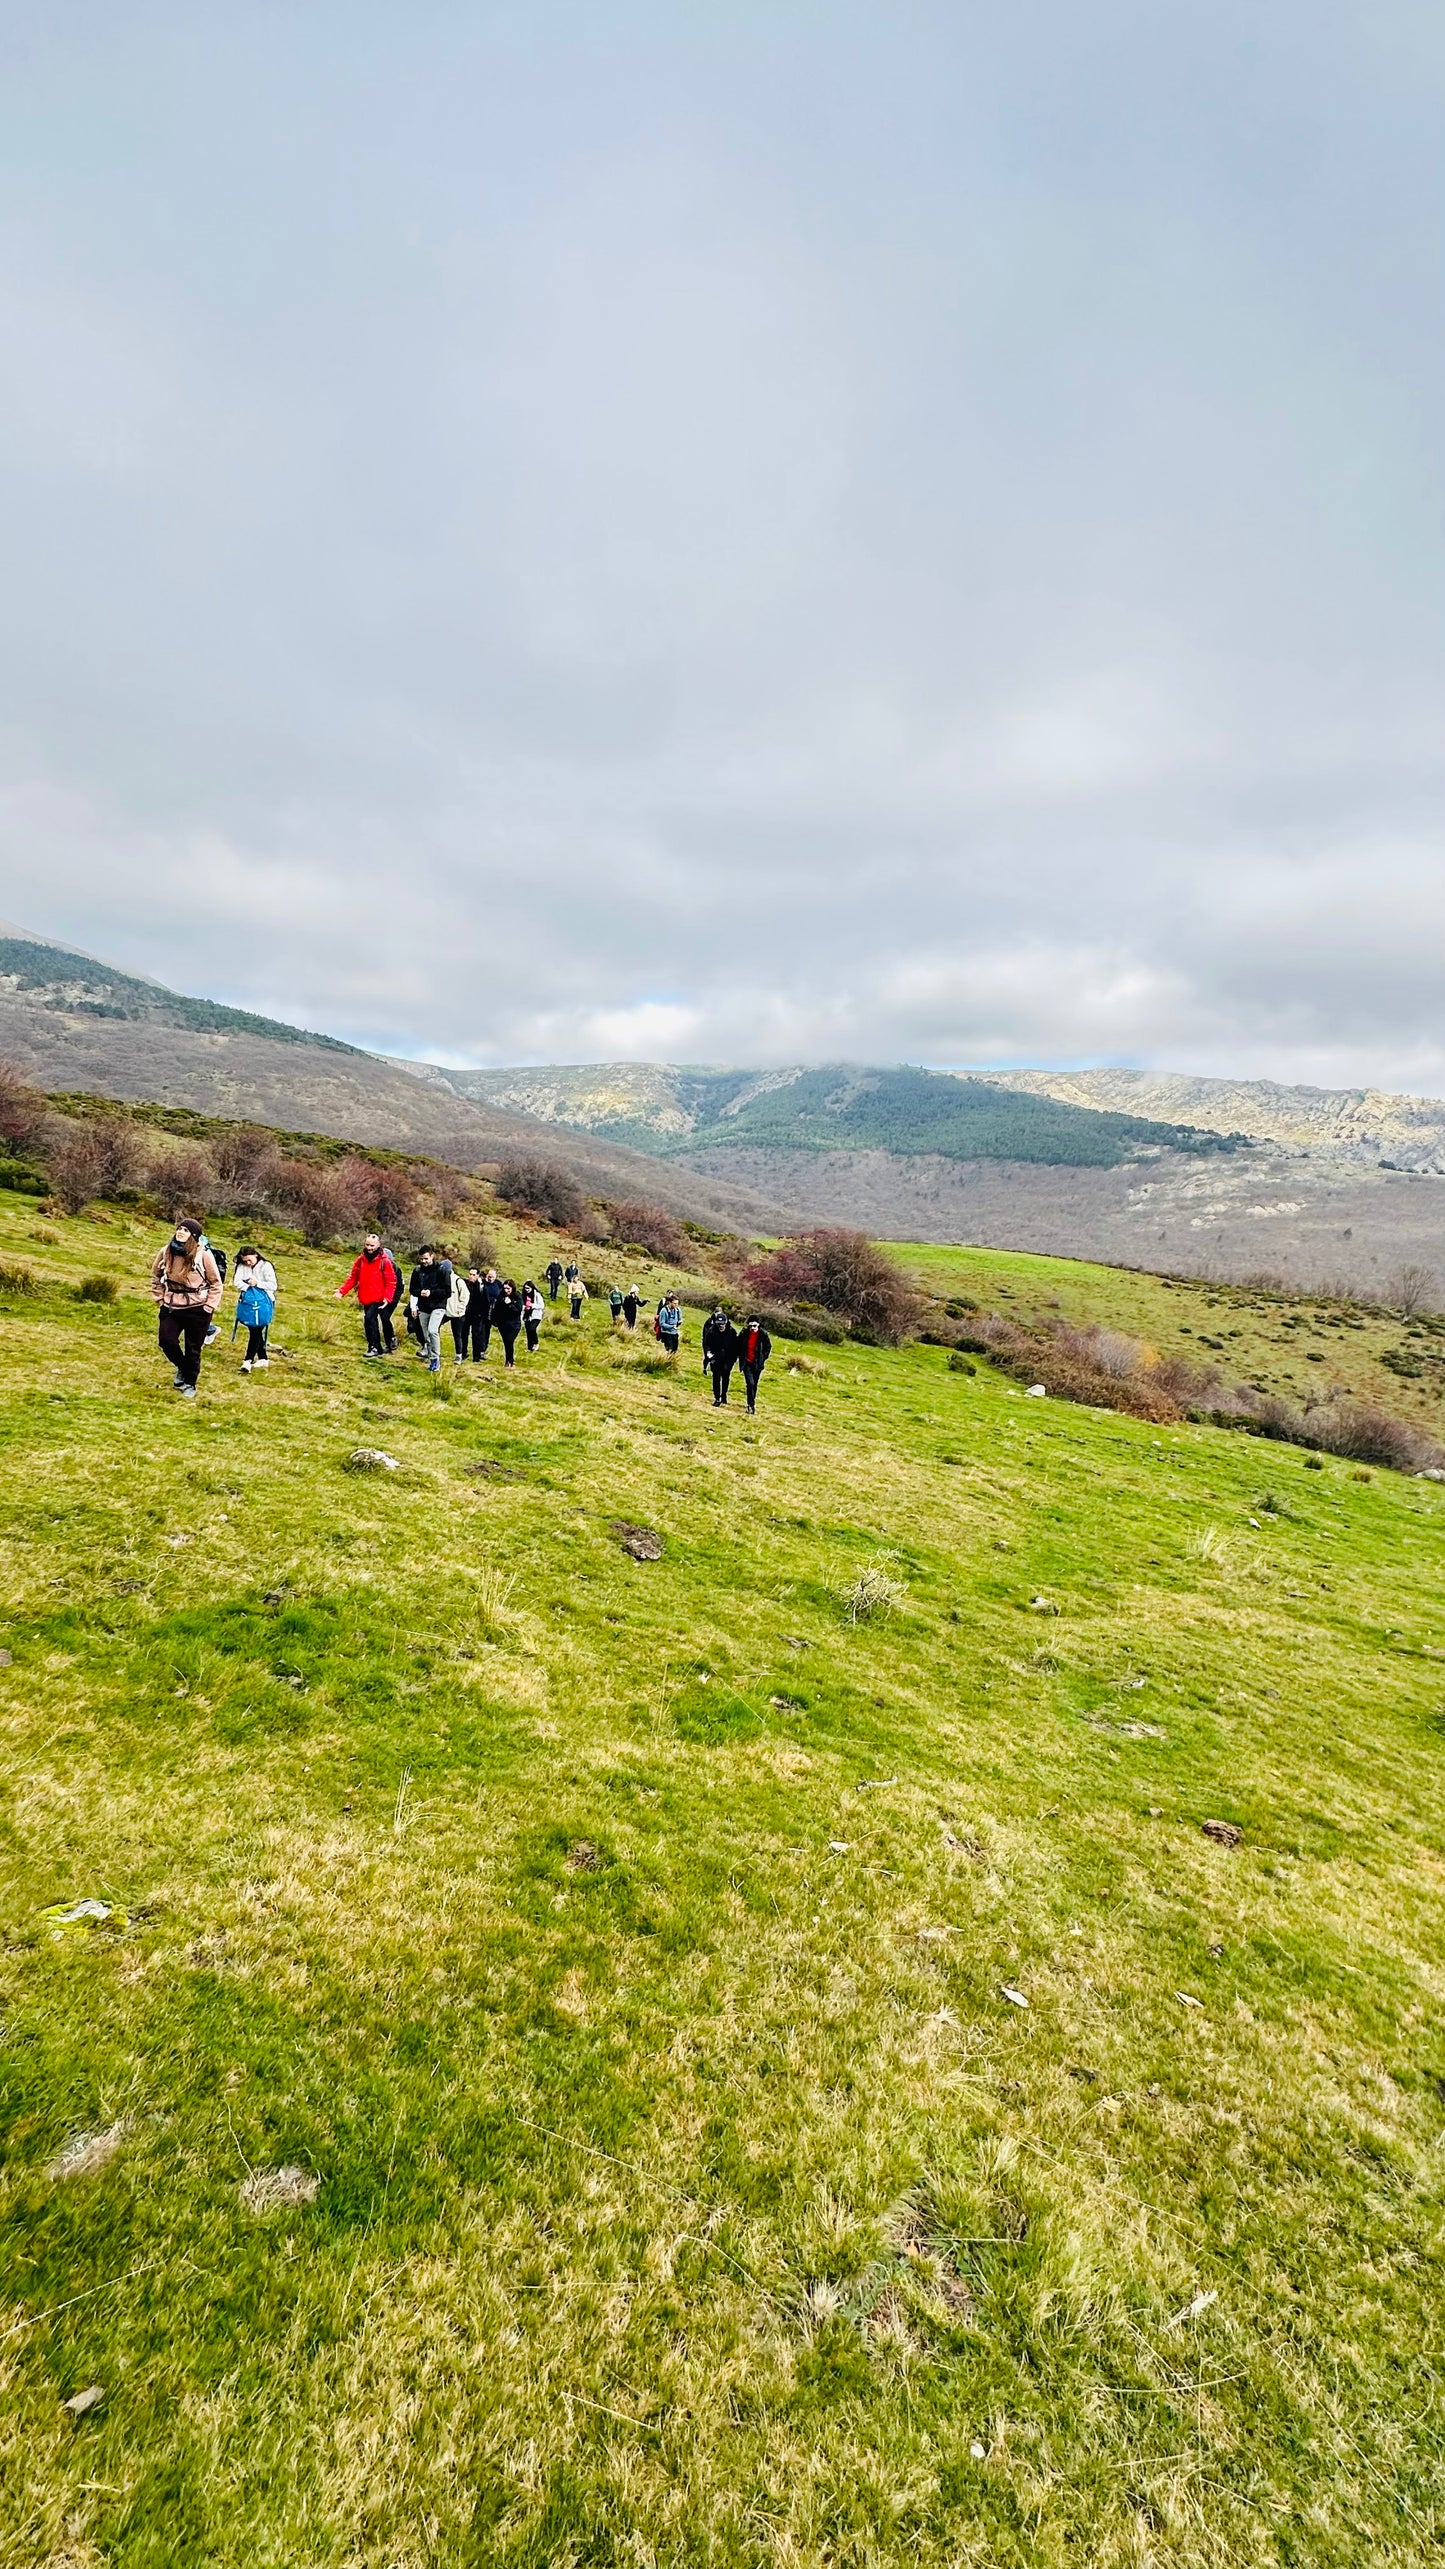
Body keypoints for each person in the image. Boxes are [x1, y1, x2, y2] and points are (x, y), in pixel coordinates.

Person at [150, 1219, 223, 1398]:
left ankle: (190, 1382)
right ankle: (182, 1367)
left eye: (186, 1230)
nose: (180, 1232)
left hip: (198, 1308)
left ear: (194, 1236)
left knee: (193, 1348)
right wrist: (160, 1299)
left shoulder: (202, 1255)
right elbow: (155, 1276)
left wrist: (209, 1306)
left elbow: (216, 1283)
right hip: (171, 1305)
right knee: (166, 1341)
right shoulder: (166, 1252)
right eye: (179, 1229)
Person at [337, 1233, 400, 1358]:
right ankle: (377, 1348)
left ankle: (374, 1347)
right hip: (366, 1297)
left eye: (372, 1245)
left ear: (378, 1245)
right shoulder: (361, 1260)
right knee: (370, 1322)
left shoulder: (384, 1261)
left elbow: (391, 1281)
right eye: (367, 1245)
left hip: (378, 1298)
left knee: (370, 1319)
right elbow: (353, 1277)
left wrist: (387, 1298)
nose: (369, 1248)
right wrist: (342, 1291)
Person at [233, 1246, 278, 1372]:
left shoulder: (266, 1266)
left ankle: (248, 1360)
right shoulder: (242, 1266)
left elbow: (273, 1285)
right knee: (254, 1328)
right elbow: (236, 1281)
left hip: (265, 1302)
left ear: (255, 1255)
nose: (248, 1263)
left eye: (249, 1260)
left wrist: (257, 1283)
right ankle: (263, 1358)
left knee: (256, 1330)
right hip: (248, 1302)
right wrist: (248, 1288)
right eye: (245, 1261)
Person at [410, 1245, 454, 1373]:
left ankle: (435, 1358)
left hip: (438, 1306)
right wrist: (420, 1292)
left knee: (432, 1330)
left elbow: (447, 1291)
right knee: (426, 1335)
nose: (423, 1261)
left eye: (426, 1259)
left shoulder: (441, 1270)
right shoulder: (417, 1271)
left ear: (432, 1256)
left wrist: (431, 1292)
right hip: (424, 1307)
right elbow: (412, 1289)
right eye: (421, 1259)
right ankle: (430, 1357)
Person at [702, 1305, 739, 1406]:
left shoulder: (732, 1332)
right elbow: (706, 1343)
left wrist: (732, 1361)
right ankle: (717, 1397)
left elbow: (736, 1348)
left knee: (726, 1378)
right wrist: (708, 1353)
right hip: (715, 1359)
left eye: (722, 1324)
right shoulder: (712, 1331)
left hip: (728, 1360)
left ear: (726, 1322)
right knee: (716, 1378)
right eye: (719, 1324)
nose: (721, 1326)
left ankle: (724, 1396)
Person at [738, 1313, 772, 1415]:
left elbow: (768, 1347)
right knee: (750, 1384)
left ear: (758, 1325)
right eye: (750, 1326)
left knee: (754, 1385)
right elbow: (738, 1344)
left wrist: (762, 1358)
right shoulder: (744, 1333)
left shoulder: (763, 1335)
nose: (752, 1328)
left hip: (757, 1364)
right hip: (746, 1363)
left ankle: (751, 1403)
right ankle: (750, 1405)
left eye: (755, 1326)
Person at [494, 1278, 523, 1367]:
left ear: (512, 1288)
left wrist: (510, 1304)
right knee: (506, 1342)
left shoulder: (518, 1297)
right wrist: (495, 1321)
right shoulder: (500, 1296)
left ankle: (510, 1361)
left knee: (509, 1340)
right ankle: (508, 1361)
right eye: (505, 1288)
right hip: (503, 1324)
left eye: (508, 1289)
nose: (506, 1290)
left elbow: (518, 1310)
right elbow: (497, 1309)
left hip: (514, 1324)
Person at [445, 1260, 471, 1358]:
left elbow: (465, 1296)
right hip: (445, 1311)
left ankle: (459, 1355)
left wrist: (460, 1309)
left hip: (457, 1313)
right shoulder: (442, 1278)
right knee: (434, 1329)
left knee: (457, 1335)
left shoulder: (457, 1281)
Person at [655, 1291, 682, 1355]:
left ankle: (671, 1362)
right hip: (666, 1332)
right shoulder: (664, 1311)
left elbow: (679, 1319)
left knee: (674, 1349)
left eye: (677, 1303)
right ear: (670, 1302)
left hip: (674, 1332)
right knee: (669, 1349)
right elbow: (662, 1324)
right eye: (675, 1303)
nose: (676, 1305)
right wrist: (671, 1326)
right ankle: (666, 1362)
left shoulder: (678, 1310)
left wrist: (679, 1322)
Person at [522, 1279, 545, 1352]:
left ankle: (536, 1342)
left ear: (532, 1288)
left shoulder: (537, 1295)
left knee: (532, 1328)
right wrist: (524, 1307)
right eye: (525, 1288)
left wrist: (532, 1305)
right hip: (527, 1315)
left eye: (528, 1288)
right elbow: (521, 1305)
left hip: (536, 1315)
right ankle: (529, 1348)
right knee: (528, 1331)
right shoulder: (523, 1295)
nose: (527, 1290)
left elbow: (542, 1305)